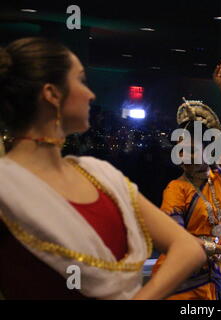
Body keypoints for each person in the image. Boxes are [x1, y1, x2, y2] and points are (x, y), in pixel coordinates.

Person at [0, 37, 206, 300]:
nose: (91, 94)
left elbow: (189, 248)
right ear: (52, 94)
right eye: (81, 80)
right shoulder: (6, 184)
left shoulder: (99, 174)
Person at [151, 56, 221, 300]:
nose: (184, 156)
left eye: (191, 149)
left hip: (214, 277)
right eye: (180, 149)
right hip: (182, 282)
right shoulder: (176, 189)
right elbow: (174, 242)